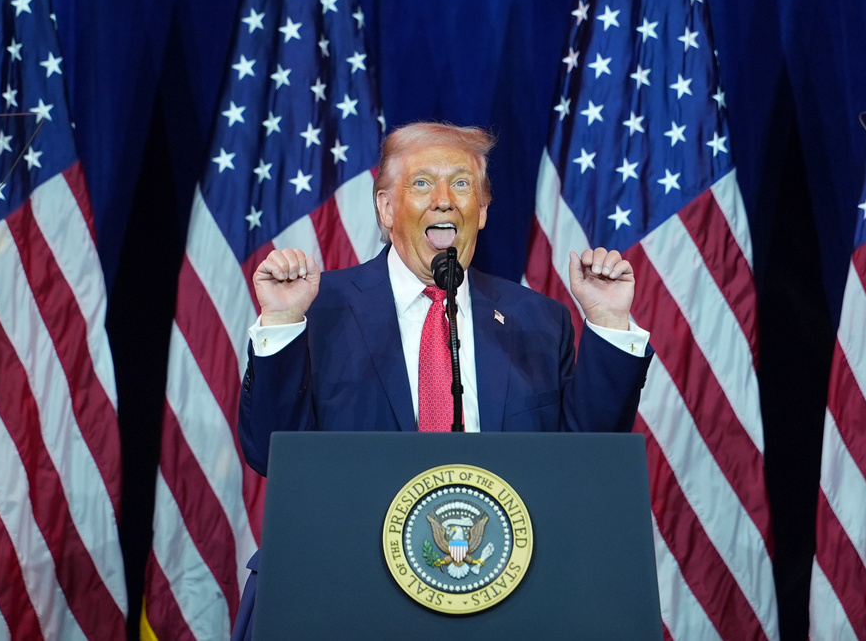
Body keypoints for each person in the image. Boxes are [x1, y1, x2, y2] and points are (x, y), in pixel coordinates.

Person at [231, 122, 652, 638]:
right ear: (386, 209)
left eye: (461, 184)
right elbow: (269, 452)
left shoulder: (538, 320)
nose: (445, 201)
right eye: (423, 183)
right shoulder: (318, 308)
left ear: (483, 209)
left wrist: (608, 325)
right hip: (342, 597)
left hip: (504, 601)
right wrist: (280, 323)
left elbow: (585, 467)